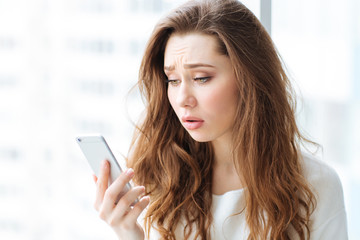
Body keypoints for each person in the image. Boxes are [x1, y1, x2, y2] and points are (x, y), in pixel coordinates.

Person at [92, 0, 348, 239]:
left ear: (249, 79)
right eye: (173, 80)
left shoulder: (315, 185)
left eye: (201, 78)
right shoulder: (159, 177)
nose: (183, 99)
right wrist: (129, 233)